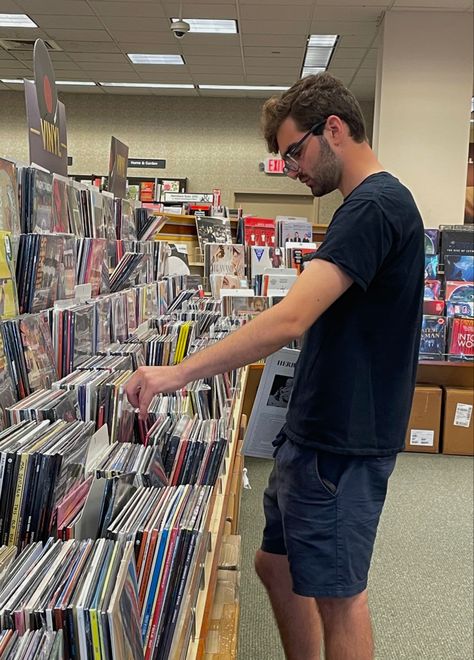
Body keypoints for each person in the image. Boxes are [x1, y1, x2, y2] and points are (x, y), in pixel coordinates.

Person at [125, 72, 424, 660]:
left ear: (333, 129)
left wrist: (178, 371)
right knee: (274, 565)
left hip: (343, 441)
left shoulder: (375, 206)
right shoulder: (362, 206)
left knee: (340, 598)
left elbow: (291, 319)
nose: (291, 168)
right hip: (316, 432)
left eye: (295, 151)